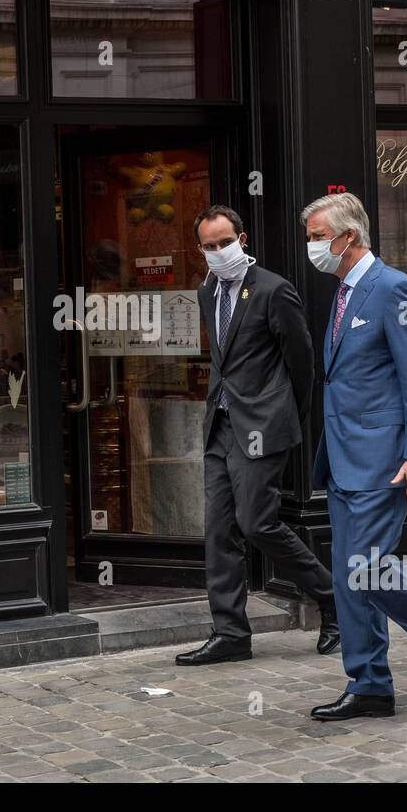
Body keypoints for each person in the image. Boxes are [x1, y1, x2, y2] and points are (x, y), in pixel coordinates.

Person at [305, 192, 407, 720]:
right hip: (343, 457)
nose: (311, 247)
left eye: (316, 237)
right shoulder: (343, 292)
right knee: (347, 576)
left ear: (347, 237)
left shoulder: (393, 287)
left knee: (368, 568)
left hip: (383, 458)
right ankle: (371, 683)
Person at [175, 205, 341, 667]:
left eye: (224, 243)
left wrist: (289, 418)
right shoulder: (206, 289)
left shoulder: (273, 289)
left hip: (262, 428)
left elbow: (302, 361)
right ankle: (230, 632)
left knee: (257, 523)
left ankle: (332, 599)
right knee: (219, 532)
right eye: (208, 247)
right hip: (221, 424)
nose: (217, 252)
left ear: (242, 240)